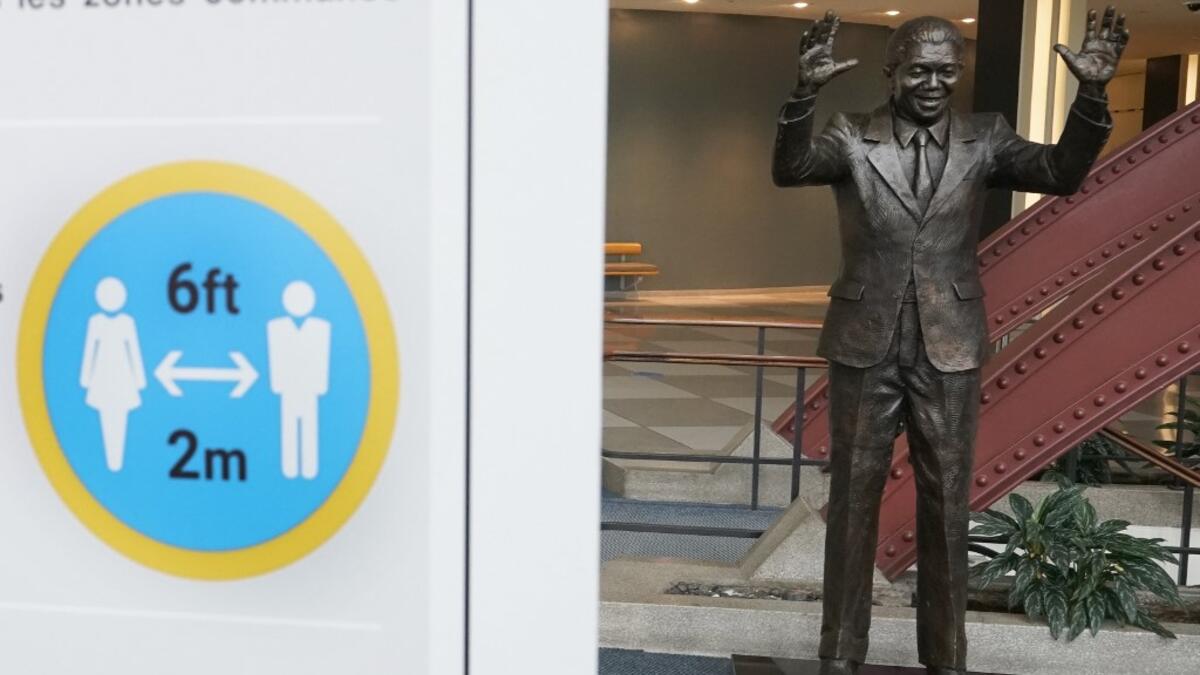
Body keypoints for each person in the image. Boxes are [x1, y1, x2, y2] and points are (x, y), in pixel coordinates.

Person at [771, 8, 1128, 675]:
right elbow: (792, 168)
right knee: (852, 503)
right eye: (919, 71)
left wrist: (1092, 92)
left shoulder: (985, 137)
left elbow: (1060, 172)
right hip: (864, 342)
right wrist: (803, 95)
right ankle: (841, 653)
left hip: (950, 344)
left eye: (946, 71)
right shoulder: (852, 134)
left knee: (947, 506)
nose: (934, 84)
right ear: (891, 72)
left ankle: (946, 657)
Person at [80, 276, 147, 472]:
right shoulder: (95, 322)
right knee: (106, 421)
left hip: (123, 379)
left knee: (120, 421)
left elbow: (134, 351)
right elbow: (89, 350)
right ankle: (112, 463)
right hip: (102, 379)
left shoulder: (127, 322)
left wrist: (140, 379)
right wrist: (85, 378)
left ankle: (116, 462)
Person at [267, 280, 331, 479]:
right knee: (289, 428)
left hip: (311, 390)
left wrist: (320, 387)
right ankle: (290, 468)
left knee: (309, 428)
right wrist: (277, 385)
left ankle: (309, 469)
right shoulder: (277, 327)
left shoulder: (320, 327)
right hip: (287, 390)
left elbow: (322, 357)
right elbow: (276, 357)